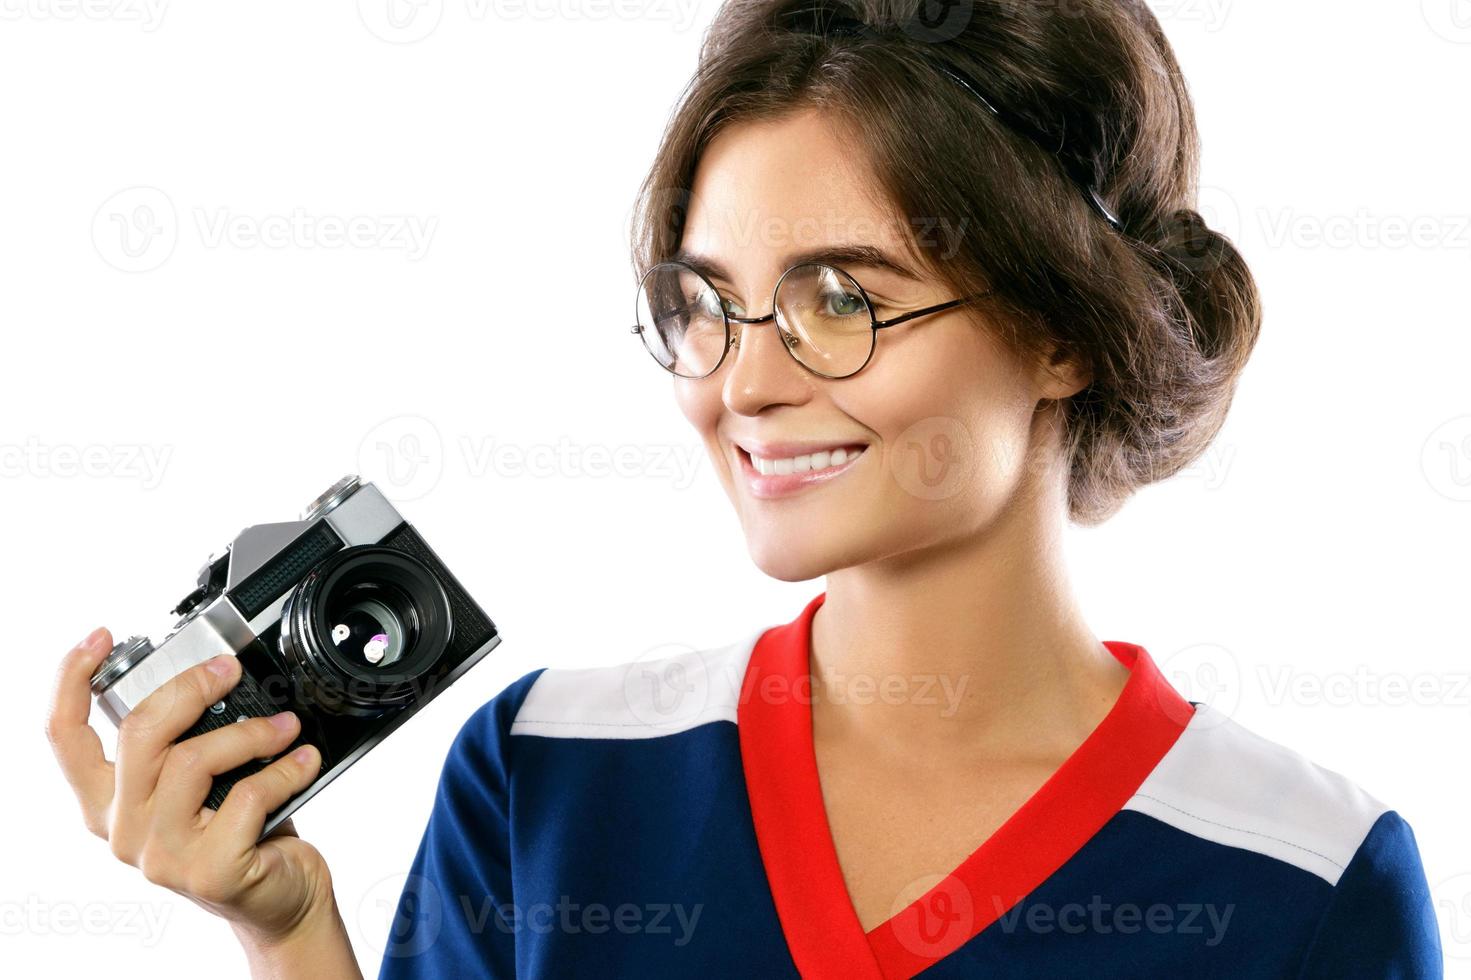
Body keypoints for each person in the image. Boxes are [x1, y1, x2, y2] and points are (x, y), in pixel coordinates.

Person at [48, 0, 1443, 976]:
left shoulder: (1306, 879)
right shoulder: (544, 774)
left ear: (1063, 330)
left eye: (840, 299)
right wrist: (288, 932)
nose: (745, 384)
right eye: (707, 304)